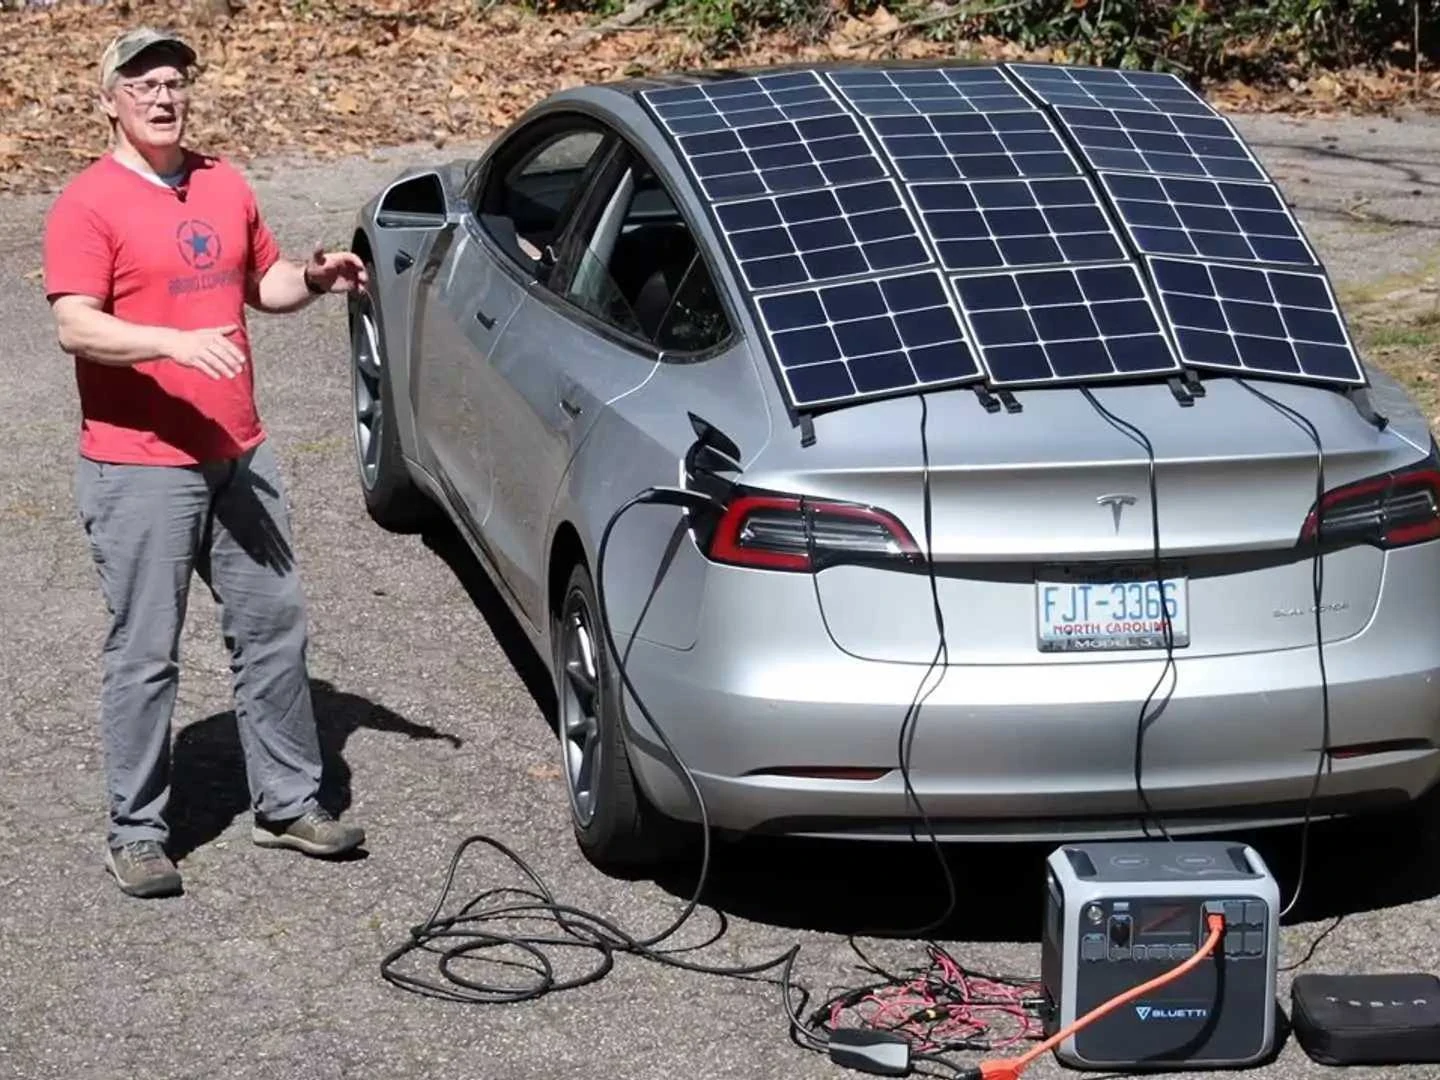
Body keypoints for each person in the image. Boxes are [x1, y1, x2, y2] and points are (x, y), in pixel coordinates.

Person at [42, 26, 368, 898]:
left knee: (273, 629)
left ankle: (290, 803)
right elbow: (76, 323)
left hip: (239, 456)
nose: (162, 95)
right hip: (139, 463)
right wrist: (171, 344)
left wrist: (316, 273)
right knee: (145, 652)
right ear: (107, 99)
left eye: (174, 80)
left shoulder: (223, 183)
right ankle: (137, 831)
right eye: (141, 82)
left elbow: (263, 285)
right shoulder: (88, 204)